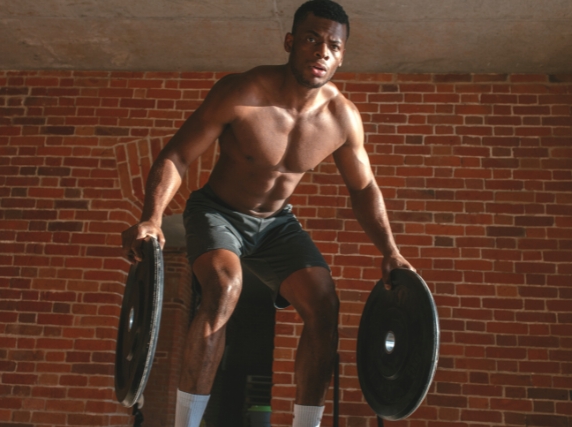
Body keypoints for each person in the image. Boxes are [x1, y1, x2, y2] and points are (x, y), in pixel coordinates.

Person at [121, 1, 413, 426]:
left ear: (342, 55)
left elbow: (363, 187)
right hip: (218, 212)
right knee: (224, 287)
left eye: (334, 45)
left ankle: (305, 424)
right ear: (290, 42)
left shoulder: (342, 118)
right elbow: (178, 155)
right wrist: (152, 216)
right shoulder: (243, 92)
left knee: (324, 303)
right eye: (312, 39)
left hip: (276, 224)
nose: (322, 52)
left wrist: (390, 249)